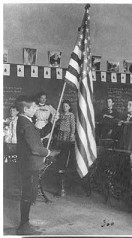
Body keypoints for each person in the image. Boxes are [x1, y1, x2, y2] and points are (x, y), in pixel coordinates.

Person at [15, 95, 60, 235]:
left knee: (28, 194)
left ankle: (25, 223)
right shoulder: (26, 123)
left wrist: (51, 123)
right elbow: (35, 148)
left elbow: (38, 134)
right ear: (25, 109)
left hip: (28, 165)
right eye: (33, 107)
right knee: (27, 195)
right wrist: (49, 152)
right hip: (29, 165)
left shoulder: (26, 121)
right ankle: (23, 226)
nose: (36, 109)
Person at [54, 100, 76, 195]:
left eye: (66, 106)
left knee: (66, 151)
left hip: (67, 135)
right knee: (60, 150)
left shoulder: (71, 115)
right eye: (63, 106)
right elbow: (57, 124)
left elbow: (73, 126)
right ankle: (60, 160)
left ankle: (65, 163)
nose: (65, 107)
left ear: (69, 107)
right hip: (60, 134)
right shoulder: (61, 114)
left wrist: (72, 134)